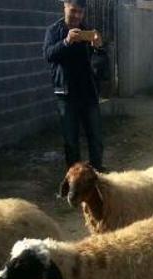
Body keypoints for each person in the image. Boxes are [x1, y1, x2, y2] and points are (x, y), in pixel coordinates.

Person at [43, 0, 106, 172]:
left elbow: (100, 64)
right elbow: (48, 55)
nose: (77, 15)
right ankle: (75, 179)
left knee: (96, 138)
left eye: (81, 12)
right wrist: (66, 41)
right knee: (71, 141)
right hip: (66, 94)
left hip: (88, 93)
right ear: (65, 7)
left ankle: (97, 174)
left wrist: (98, 48)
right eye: (74, 11)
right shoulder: (54, 31)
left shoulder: (88, 31)